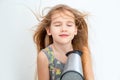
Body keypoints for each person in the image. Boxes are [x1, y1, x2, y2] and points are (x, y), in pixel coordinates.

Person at [33, 4, 94, 80]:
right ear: (49, 30)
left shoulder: (83, 51)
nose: (64, 29)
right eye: (58, 25)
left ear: (75, 30)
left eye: (69, 25)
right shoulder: (44, 56)